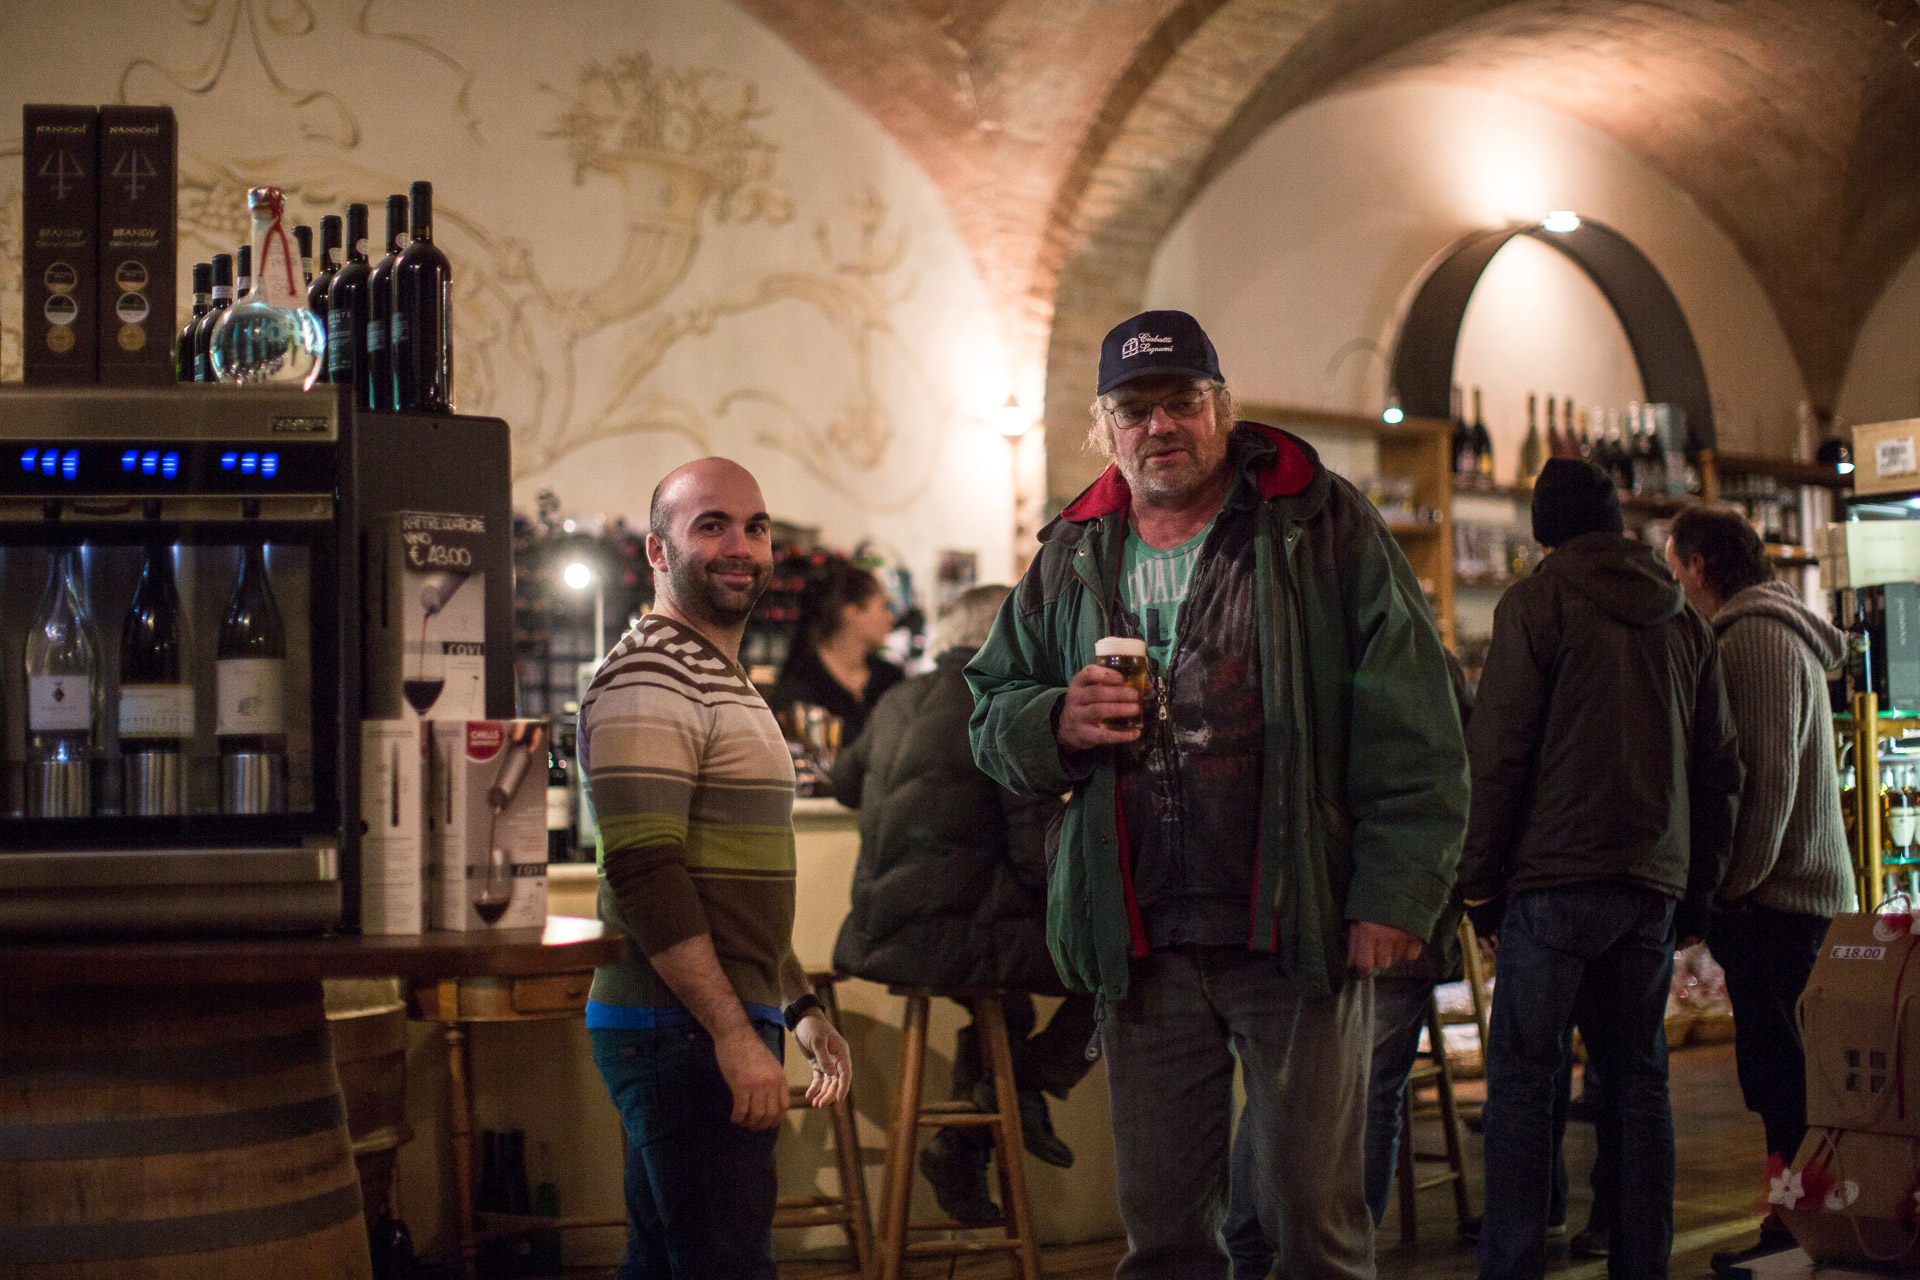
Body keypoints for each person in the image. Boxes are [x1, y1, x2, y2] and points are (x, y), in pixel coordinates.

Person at [967, 309, 1469, 1279]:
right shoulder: (1074, 549)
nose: (1160, 425)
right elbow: (989, 705)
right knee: (1162, 1235)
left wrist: (1394, 892)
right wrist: (1055, 720)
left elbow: (1417, 717)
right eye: (1134, 408)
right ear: (1105, 428)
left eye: (1182, 401)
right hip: (1143, 938)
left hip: (1297, 926)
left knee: (1315, 1226)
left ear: (1223, 410)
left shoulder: (1318, 522)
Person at [1460, 457, 1742, 1280]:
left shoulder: (1535, 604)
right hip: (1649, 887)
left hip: (1550, 883)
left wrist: (1478, 885)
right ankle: (1642, 1263)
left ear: (1545, 532)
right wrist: (1698, 893)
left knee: (1523, 1084)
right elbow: (1719, 770)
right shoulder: (1683, 620)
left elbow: (1498, 754)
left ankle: (1513, 1265)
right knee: (1639, 1083)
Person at [578, 457, 853, 1280]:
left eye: (755, 528)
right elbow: (647, 873)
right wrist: (733, 1033)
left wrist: (796, 1003)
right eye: (711, 526)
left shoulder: (718, 675)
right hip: (678, 1030)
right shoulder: (648, 673)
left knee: (668, 1261)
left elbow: (730, 880)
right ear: (657, 551)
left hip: (702, 1022)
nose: (741, 546)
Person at [830, 583, 1099, 1223]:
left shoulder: (898, 698)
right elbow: (1037, 854)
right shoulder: (1003, 709)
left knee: (1003, 1005)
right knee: (1121, 971)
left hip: (881, 934)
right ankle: (1021, 1089)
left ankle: (963, 1143)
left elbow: (842, 783)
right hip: (955, 936)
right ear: (1010, 640)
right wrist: (1089, 910)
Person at [1225, 651, 1473, 1278]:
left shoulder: (1310, 650)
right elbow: (1458, 789)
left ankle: (1257, 1251)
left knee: (1293, 1092)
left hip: (1334, 911)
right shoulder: (1423, 667)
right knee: (1360, 1096)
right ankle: (1312, 1253)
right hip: (1380, 917)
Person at [1665, 504, 1854, 1275]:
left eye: (1674, 567)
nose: (1673, 583)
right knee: (1778, 1076)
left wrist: (1728, 888)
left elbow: (1767, 785)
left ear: (1700, 566)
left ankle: (1799, 1226)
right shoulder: (1760, 632)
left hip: (1781, 901)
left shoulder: (1759, 639)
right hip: (1782, 897)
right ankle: (1793, 1217)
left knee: (1785, 1080)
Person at [769, 557, 904, 743]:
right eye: (884, 607)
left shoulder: (890, 678)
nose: (891, 618)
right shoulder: (802, 681)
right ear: (852, 613)